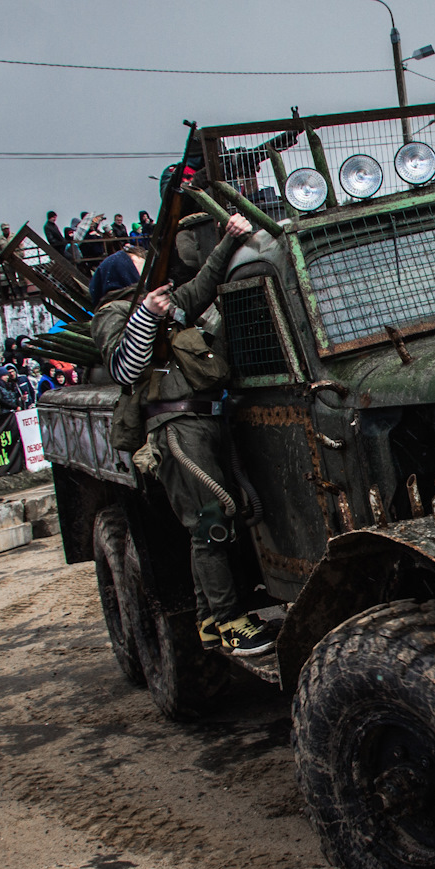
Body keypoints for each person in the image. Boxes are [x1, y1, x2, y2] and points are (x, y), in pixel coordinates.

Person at [91, 209, 278, 657]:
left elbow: (200, 287)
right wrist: (146, 317)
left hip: (204, 420)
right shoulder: (115, 313)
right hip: (176, 425)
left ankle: (210, 620)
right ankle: (231, 621)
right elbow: (123, 366)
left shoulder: (164, 306)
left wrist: (228, 241)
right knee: (211, 523)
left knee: (216, 519)